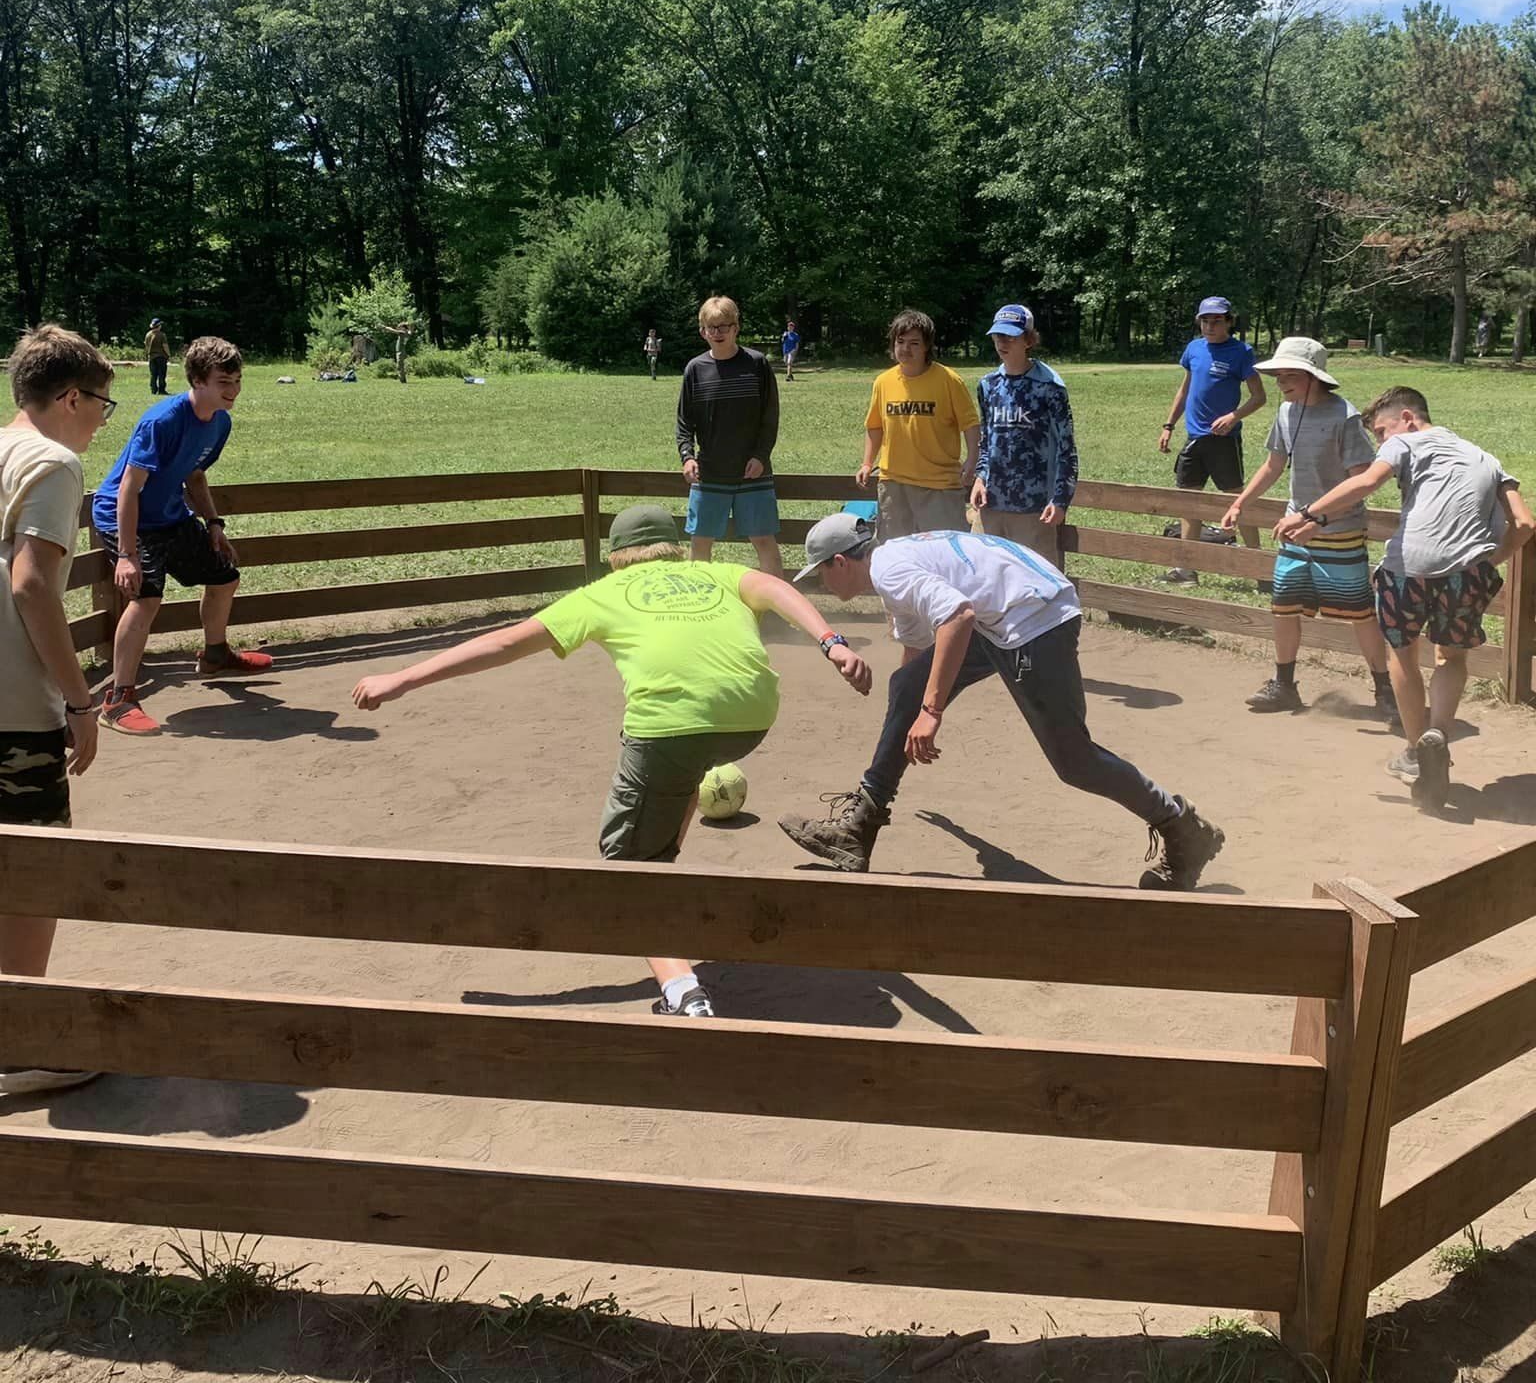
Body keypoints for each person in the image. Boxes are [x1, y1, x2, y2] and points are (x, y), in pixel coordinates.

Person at [351, 504, 872, 1018]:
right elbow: (777, 587)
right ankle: (662, 864)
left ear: (617, 557)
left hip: (671, 726)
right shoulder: (718, 573)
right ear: (673, 546)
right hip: (751, 718)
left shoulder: (602, 593)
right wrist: (833, 643)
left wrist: (402, 679)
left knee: (624, 871)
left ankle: (683, 993)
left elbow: (507, 642)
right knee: (676, 779)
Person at [776, 516, 1225, 890]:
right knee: (908, 684)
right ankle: (859, 828)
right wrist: (914, 705)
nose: (820, 582)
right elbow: (916, 661)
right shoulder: (895, 563)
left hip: (1033, 621)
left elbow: (958, 616)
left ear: (840, 562)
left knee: (1074, 760)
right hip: (1007, 612)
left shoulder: (891, 571)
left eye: (820, 572)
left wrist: (931, 713)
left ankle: (1183, 828)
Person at [1275, 386, 1533, 811]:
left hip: (1405, 570)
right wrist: (1492, 560)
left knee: (1403, 656)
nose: (1381, 443)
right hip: (1466, 572)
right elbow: (1523, 522)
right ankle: (1438, 734)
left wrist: (1310, 514)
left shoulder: (1406, 443)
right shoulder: (1488, 459)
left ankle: (1416, 750)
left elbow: (1367, 480)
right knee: (1451, 659)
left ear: (1408, 418)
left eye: (1382, 431)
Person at [1, 325, 116, 1096]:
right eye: (102, 405)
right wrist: (79, 703)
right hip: (12, 709)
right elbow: (33, 585)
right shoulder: (53, 461)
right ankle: (16, 1050)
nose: (104, 420)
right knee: (32, 875)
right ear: (68, 397)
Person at [92, 336, 273, 736]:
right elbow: (127, 489)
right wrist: (126, 555)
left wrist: (213, 524)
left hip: (170, 515)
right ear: (197, 380)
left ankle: (215, 655)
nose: (234, 390)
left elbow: (194, 475)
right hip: (126, 517)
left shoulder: (220, 422)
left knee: (225, 575)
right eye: (224, 382)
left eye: (238, 380)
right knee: (145, 597)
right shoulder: (163, 421)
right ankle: (118, 699)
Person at [1221, 338, 1396, 719]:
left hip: (1340, 530)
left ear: (1313, 377)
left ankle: (1386, 690)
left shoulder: (1344, 417)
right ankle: (1284, 685)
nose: (1280, 381)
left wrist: (1320, 520)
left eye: (1288, 374)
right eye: (1277, 374)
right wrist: (1240, 503)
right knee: (1283, 607)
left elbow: (1360, 481)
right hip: (1294, 526)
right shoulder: (1285, 412)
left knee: (1359, 613)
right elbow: (1273, 465)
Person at [1158, 296, 1266, 583]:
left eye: (1217, 320)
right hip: (1194, 439)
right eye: (1205, 320)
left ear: (1229, 321)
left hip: (1223, 440)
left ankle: (1260, 568)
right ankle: (1186, 569)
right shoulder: (1194, 349)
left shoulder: (1241, 352)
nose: (1210, 326)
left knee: (1237, 500)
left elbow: (1259, 397)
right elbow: (1184, 391)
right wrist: (1169, 425)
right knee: (1188, 501)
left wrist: (1234, 416)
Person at [675, 296, 784, 575]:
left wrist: (761, 456)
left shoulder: (757, 364)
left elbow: (770, 418)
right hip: (709, 472)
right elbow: (684, 422)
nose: (718, 333)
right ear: (703, 331)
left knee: (763, 540)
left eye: (724, 326)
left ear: (736, 328)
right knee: (700, 543)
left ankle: (775, 613)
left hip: (753, 472)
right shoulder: (695, 370)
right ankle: (700, 609)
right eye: (712, 327)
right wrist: (687, 457)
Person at [970, 302, 1077, 568]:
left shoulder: (1049, 387)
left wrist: (1061, 499)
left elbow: (1066, 448)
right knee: (984, 578)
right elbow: (987, 439)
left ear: (1028, 340)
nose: (1001, 342)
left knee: (1036, 583)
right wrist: (980, 477)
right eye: (997, 336)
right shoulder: (988, 385)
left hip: (1034, 508)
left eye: (1010, 336)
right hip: (992, 504)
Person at [857, 309, 979, 542]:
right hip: (894, 485)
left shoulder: (949, 380)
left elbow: (970, 424)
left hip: (939, 486)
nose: (905, 349)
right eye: (900, 342)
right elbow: (874, 426)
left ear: (927, 347)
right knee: (895, 556)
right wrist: (867, 463)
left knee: (945, 555)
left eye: (914, 343)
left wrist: (972, 459)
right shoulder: (883, 382)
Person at [144, 318, 171, 396]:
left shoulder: (148, 334)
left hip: (152, 357)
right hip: (161, 357)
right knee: (162, 374)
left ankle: (153, 390)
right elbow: (165, 346)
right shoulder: (162, 335)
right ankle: (161, 390)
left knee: (153, 374)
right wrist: (168, 354)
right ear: (158, 326)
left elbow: (146, 346)